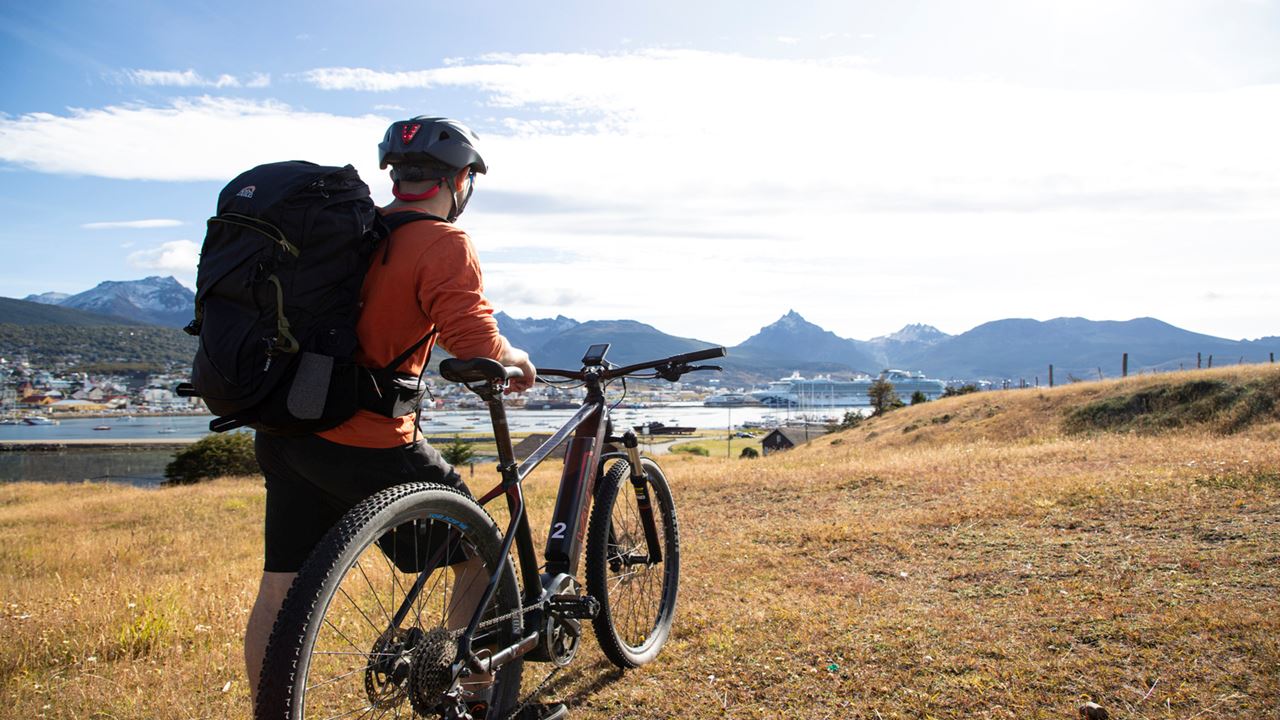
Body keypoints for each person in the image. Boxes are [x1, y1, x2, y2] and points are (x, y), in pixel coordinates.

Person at [244, 116, 548, 718]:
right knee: (487, 556)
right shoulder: (443, 241)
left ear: (397, 176)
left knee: (281, 585)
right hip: (369, 439)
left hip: (289, 430)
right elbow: (477, 346)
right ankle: (468, 694)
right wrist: (519, 359)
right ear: (461, 180)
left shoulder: (352, 232)